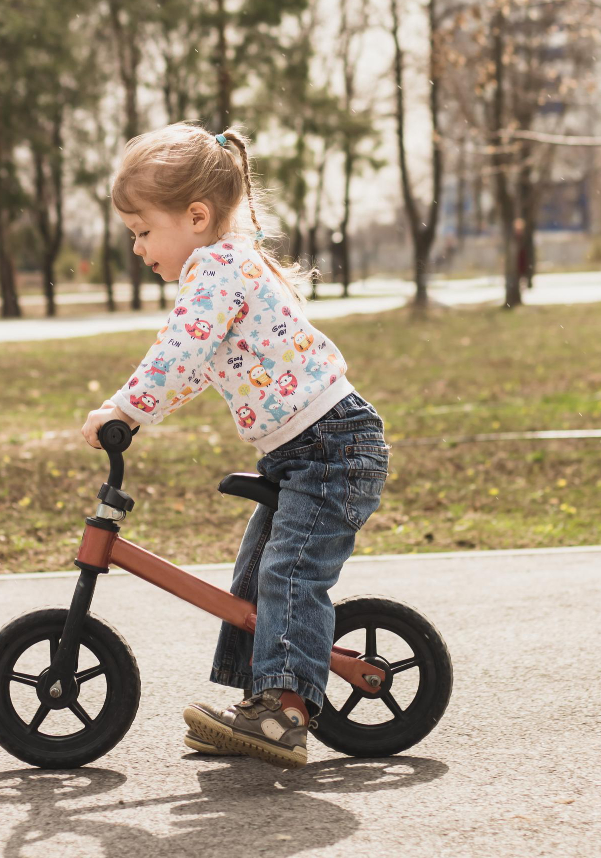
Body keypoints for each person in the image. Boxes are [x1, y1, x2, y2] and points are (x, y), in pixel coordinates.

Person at [81, 122, 390, 769]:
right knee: (253, 579)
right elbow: (194, 367)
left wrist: (125, 408)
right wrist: (139, 417)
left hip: (332, 449)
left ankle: (282, 715)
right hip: (301, 454)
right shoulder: (221, 267)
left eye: (142, 230)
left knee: (288, 574)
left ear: (194, 216)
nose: (137, 248)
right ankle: (260, 702)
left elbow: (179, 352)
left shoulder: (216, 267)